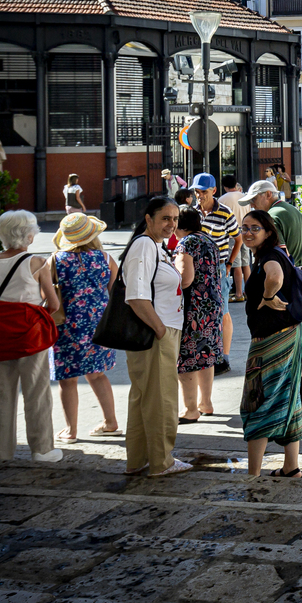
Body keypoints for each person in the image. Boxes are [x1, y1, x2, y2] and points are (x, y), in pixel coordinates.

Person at [0, 210, 63, 463]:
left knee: (1, 394)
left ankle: (2, 451)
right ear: (30, 236)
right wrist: (31, 315)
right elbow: (53, 304)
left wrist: (1, 314)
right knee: (37, 393)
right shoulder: (36, 262)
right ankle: (42, 450)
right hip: (30, 338)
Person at [122, 197, 191, 477]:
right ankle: (162, 462)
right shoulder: (144, 245)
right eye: (165, 218)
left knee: (145, 398)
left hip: (158, 331)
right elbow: (136, 297)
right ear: (148, 219)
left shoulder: (155, 246)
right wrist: (161, 330)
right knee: (161, 399)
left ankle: (139, 460)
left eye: (175, 219)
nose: (171, 224)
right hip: (155, 333)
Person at [239, 209, 302, 478]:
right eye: (244, 227)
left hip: (271, 340)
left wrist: (267, 296)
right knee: (287, 398)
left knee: (257, 400)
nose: (248, 232)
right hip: (288, 334)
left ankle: (253, 474)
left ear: (268, 232)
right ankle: (291, 467)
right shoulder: (273, 253)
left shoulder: (269, 256)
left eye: (255, 228)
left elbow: (275, 276)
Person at [241, 179, 302, 407]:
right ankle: (300, 395)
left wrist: (267, 296)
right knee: (296, 344)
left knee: (277, 348)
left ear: (266, 195)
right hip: (295, 287)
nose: (253, 207)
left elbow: (276, 264)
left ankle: (280, 403)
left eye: (254, 201)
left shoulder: (272, 217)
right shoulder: (293, 210)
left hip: (279, 293)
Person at [47, 213, 120, 442]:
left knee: (67, 380)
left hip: (67, 328)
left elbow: (48, 299)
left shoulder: (56, 260)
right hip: (99, 327)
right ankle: (111, 422)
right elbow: (117, 293)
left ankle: (71, 431)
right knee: (98, 375)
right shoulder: (106, 258)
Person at [172, 208, 223, 423]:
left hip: (194, 309)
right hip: (212, 306)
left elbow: (185, 279)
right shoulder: (208, 240)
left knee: (187, 359)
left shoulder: (186, 243)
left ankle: (190, 409)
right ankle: (206, 403)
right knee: (206, 356)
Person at [192, 173, 239, 372]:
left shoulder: (225, 212)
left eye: (203, 191)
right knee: (199, 313)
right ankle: (203, 353)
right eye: (196, 191)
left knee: (223, 311)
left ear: (213, 191)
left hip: (218, 266)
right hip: (196, 268)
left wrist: (229, 264)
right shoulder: (192, 213)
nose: (199, 195)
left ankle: (224, 358)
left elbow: (238, 239)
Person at [219, 174, 251, 302]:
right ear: (236, 183)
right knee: (246, 262)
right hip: (246, 231)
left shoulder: (222, 199)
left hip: (232, 233)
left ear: (224, 186)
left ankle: (238, 293)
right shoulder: (245, 197)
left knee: (236, 264)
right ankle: (248, 291)